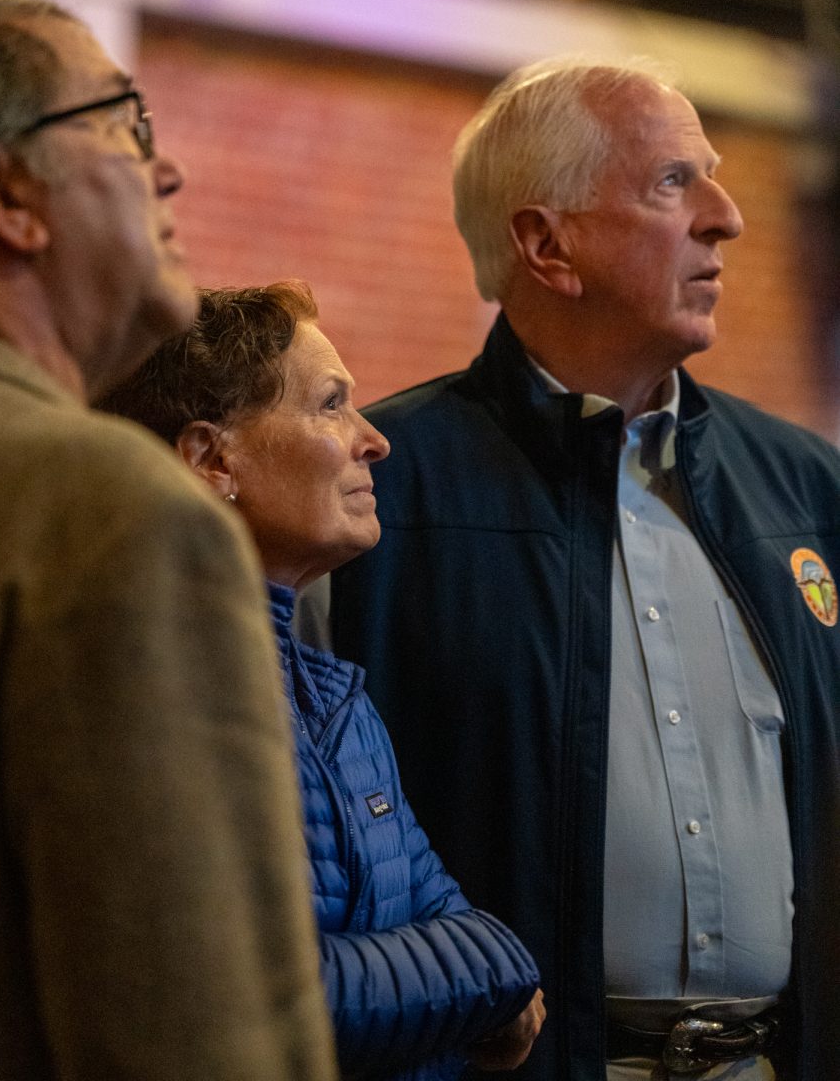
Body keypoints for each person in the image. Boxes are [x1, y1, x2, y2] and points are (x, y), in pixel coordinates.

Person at [326, 59, 840, 1080]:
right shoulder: (374, 489)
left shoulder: (806, 488)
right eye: (671, 183)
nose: (726, 217)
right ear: (544, 244)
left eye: (713, 177)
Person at [0, 0, 336, 1081]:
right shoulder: (109, 511)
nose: (169, 172)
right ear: (5, 190)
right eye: (127, 125)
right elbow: (195, 1028)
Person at [99, 280, 546, 1080]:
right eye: (331, 404)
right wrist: (495, 971)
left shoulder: (333, 697)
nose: (372, 440)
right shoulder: (146, 690)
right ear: (211, 458)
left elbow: (434, 910)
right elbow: (264, 995)